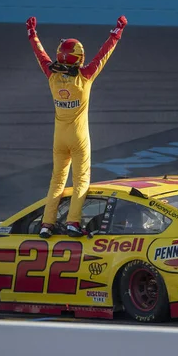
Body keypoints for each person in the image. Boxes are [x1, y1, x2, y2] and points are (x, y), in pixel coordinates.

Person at [26, 15, 127, 238]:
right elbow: (103, 55)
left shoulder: (51, 75)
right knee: (81, 179)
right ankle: (73, 222)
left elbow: (40, 55)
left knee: (57, 180)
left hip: (58, 137)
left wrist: (32, 34)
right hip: (79, 137)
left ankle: (46, 224)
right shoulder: (85, 76)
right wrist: (117, 32)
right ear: (79, 58)